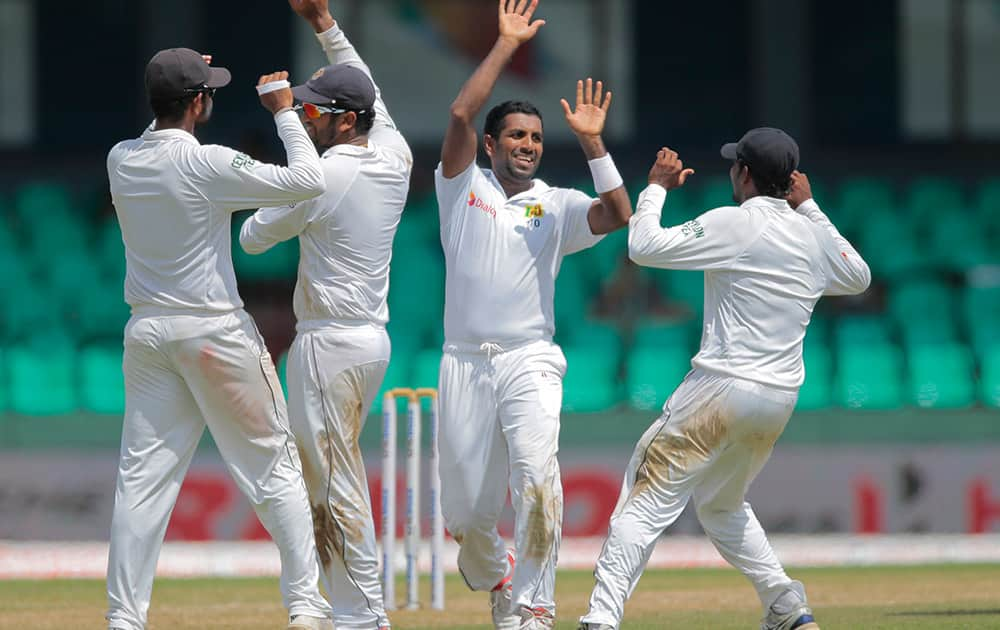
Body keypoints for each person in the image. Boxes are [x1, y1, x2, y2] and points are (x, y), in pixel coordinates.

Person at [577, 128, 872, 630]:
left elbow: (644, 246)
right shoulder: (810, 233)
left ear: (745, 174)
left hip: (721, 388)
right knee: (720, 505)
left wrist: (656, 188)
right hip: (777, 399)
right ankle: (786, 607)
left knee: (643, 501)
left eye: (736, 165)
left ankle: (601, 620)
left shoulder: (734, 223)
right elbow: (858, 276)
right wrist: (812, 209)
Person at [105, 49, 334, 630]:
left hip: (148, 333)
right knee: (273, 466)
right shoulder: (206, 163)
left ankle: (123, 619)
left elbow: (157, 131)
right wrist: (285, 112)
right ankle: (306, 608)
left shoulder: (122, 158)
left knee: (142, 479)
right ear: (199, 103)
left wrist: (178, 77)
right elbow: (307, 183)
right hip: (211, 330)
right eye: (207, 91)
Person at [434, 1, 633, 627]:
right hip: (464, 362)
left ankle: (534, 606)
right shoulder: (461, 186)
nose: (528, 146)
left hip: (530, 359)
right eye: (517, 136)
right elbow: (462, 111)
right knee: (464, 515)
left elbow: (619, 215)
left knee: (538, 479)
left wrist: (594, 142)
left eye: (538, 139)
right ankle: (495, 570)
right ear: (491, 145)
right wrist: (504, 45)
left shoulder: (559, 204)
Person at [239, 0, 412, 627]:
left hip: (327, 345)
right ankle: (351, 610)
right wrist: (325, 25)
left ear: (343, 122)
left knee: (335, 483)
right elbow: (373, 91)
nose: (307, 115)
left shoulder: (327, 175)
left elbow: (254, 236)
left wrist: (284, 120)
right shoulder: (394, 155)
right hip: (369, 343)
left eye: (315, 110)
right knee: (333, 478)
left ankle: (364, 617)